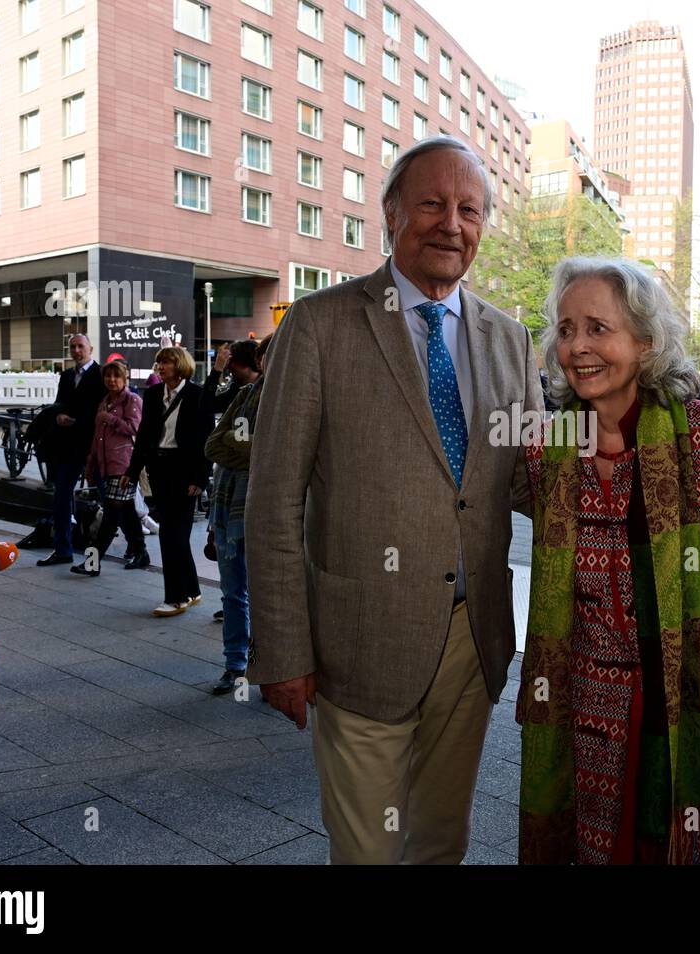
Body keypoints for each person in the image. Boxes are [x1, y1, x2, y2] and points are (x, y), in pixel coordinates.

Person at [244, 136, 544, 865]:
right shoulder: (319, 326)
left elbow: (531, 481)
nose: (451, 223)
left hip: (473, 646)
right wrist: (282, 650)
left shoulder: (511, 339)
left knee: (441, 843)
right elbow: (273, 500)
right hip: (360, 642)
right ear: (390, 212)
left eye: (469, 208)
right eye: (432, 203)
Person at [518, 257, 700, 864]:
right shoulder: (546, 451)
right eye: (566, 329)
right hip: (591, 726)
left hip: (694, 711)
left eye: (598, 328)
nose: (577, 347)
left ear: (647, 341)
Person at [126, 346, 213, 617]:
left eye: (166, 362)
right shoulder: (152, 394)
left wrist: (200, 478)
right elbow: (144, 435)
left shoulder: (197, 395)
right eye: (159, 362)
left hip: (185, 472)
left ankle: (175, 598)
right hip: (160, 469)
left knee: (172, 534)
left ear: (180, 366)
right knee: (175, 535)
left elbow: (206, 439)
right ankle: (192, 590)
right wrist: (133, 471)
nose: (161, 367)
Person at [204, 337, 264, 694]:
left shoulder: (288, 397)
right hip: (228, 506)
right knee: (232, 593)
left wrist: (235, 445)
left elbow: (279, 448)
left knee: (264, 594)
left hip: (261, 507)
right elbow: (212, 444)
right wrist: (251, 450)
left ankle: (266, 663)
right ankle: (234, 663)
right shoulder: (243, 395)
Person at [71, 360, 147, 575]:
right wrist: (90, 464)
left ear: (125, 379)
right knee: (127, 511)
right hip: (106, 466)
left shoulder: (132, 400)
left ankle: (92, 563)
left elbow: (134, 428)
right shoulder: (104, 402)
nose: (111, 380)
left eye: (116, 376)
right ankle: (141, 552)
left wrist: (111, 419)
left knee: (110, 516)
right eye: (108, 376)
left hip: (124, 465)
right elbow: (98, 438)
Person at [37, 333, 106, 566]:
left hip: (93, 447)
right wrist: (59, 417)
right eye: (72, 347)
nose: (76, 350)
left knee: (111, 499)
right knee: (61, 497)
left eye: (80, 346)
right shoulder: (66, 376)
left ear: (90, 349)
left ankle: (135, 546)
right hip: (68, 446)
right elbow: (60, 403)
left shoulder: (101, 374)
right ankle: (63, 549)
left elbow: (102, 410)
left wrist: (78, 422)